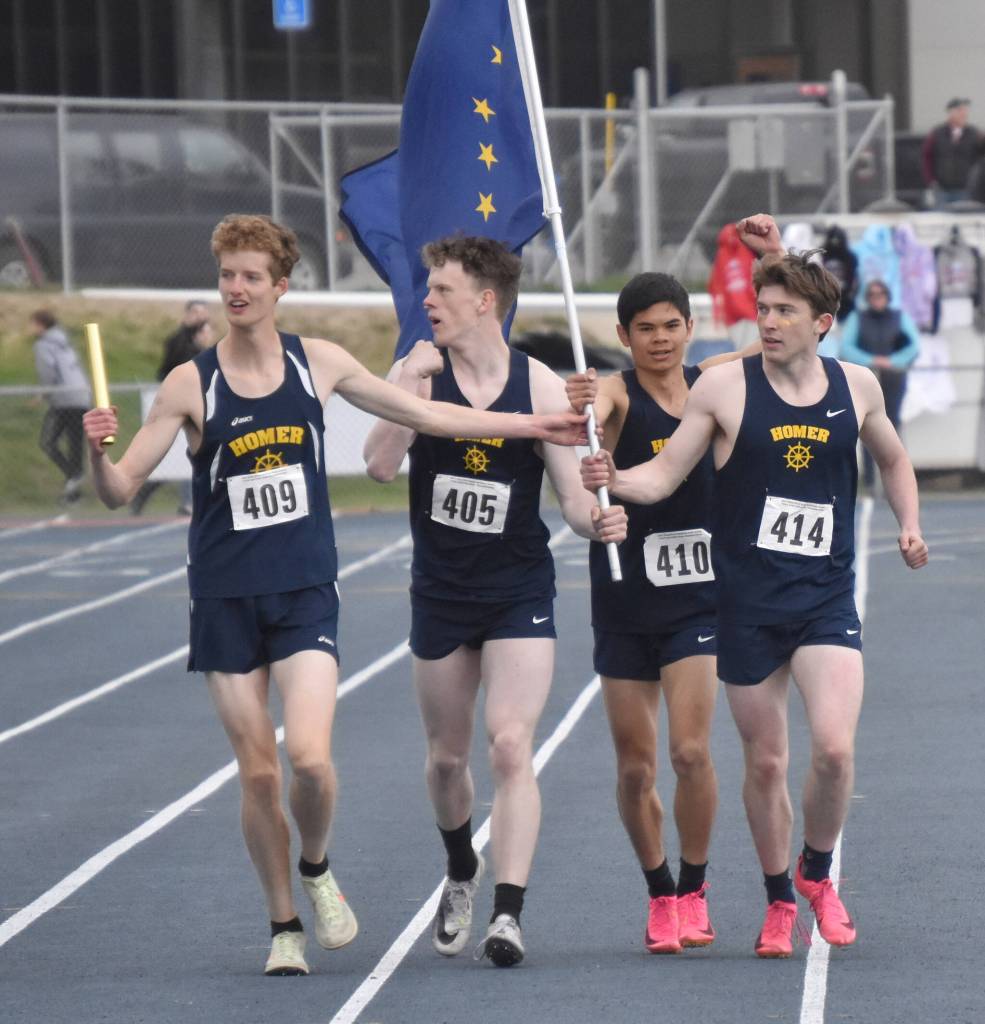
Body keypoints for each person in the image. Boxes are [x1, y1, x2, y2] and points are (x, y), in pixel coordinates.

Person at [82, 214, 605, 978]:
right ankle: (303, 916)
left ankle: (352, 874)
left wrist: (544, 435)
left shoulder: (322, 362)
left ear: (279, 287)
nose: (235, 288)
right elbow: (120, 486)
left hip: (328, 594)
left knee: (332, 761)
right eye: (226, 276)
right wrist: (98, 452)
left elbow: (437, 422)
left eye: (250, 276)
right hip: (246, 597)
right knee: (280, 772)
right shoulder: (192, 384)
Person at [581, 214, 929, 959]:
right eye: (762, 309)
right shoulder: (722, 389)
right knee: (766, 762)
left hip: (824, 598)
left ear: (821, 324)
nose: (766, 322)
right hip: (744, 606)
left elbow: (895, 460)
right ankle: (777, 901)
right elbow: (662, 474)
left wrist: (908, 523)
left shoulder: (857, 386)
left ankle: (816, 873)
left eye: (782, 312)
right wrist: (611, 480)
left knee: (833, 750)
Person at [363, 235, 628, 968]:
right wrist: (408, 383)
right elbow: (379, 465)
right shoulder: (419, 372)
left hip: (517, 590)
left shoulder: (537, 385)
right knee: (448, 760)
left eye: (440, 290)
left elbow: (573, 501)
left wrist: (600, 519)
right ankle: (461, 868)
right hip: (441, 592)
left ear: (485, 301)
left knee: (510, 744)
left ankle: (508, 914)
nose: (426, 300)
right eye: (427, 289)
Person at [563, 270, 762, 955]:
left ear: (689, 327)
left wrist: (770, 259)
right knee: (635, 768)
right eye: (644, 328)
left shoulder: (713, 383)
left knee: (690, 750)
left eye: (671, 326)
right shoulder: (618, 395)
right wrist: (583, 401)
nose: (659, 340)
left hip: (699, 599)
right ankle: (658, 892)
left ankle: (694, 887)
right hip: (625, 597)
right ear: (624, 335)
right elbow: (596, 406)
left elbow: (772, 342)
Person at [130, 313, 215, 516]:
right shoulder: (189, 355)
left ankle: (189, 502)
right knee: (176, 458)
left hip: (195, 414)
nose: (210, 335)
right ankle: (186, 502)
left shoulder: (202, 354)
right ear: (198, 334)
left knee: (184, 459)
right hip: (184, 413)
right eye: (206, 331)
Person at [839, 280, 920, 489]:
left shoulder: (899, 317)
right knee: (868, 426)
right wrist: (872, 360)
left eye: (880, 294)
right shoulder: (858, 318)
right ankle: (871, 480)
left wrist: (892, 361)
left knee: (892, 424)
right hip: (867, 378)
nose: (877, 299)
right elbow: (846, 347)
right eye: (873, 295)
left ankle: (897, 477)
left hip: (893, 378)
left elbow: (913, 346)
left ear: (887, 296)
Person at [31, 309, 91, 503]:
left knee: (48, 442)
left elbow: (48, 372)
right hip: (81, 396)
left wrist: (43, 393)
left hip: (65, 398)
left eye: (33, 324)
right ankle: (74, 492)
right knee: (75, 444)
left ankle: (74, 476)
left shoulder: (43, 345)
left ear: (40, 325)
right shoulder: (65, 341)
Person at [921, 97, 981, 207]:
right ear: (950, 112)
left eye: (965, 110)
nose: (964, 114)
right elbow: (927, 157)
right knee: (940, 215)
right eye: (960, 110)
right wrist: (930, 180)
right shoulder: (937, 133)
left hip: (965, 190)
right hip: (942, 190)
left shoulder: (974, 134)